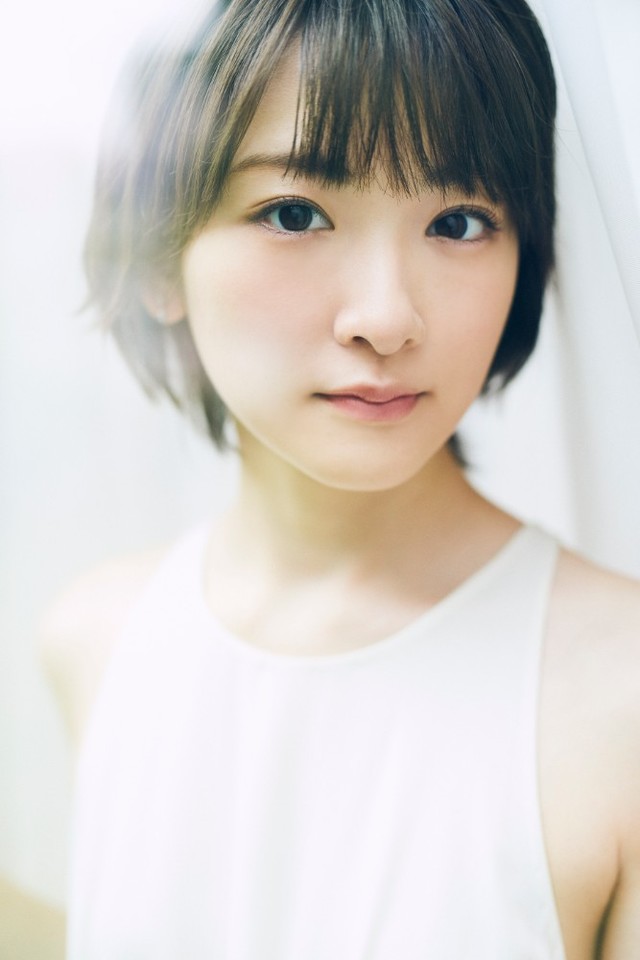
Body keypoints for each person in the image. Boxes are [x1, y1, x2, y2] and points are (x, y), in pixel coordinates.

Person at [31, 0, 640, 957]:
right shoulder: (95, 642)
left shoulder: (618, 697)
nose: (387, 318)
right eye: (294, 214)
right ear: (155, 256)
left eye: (460, 221)